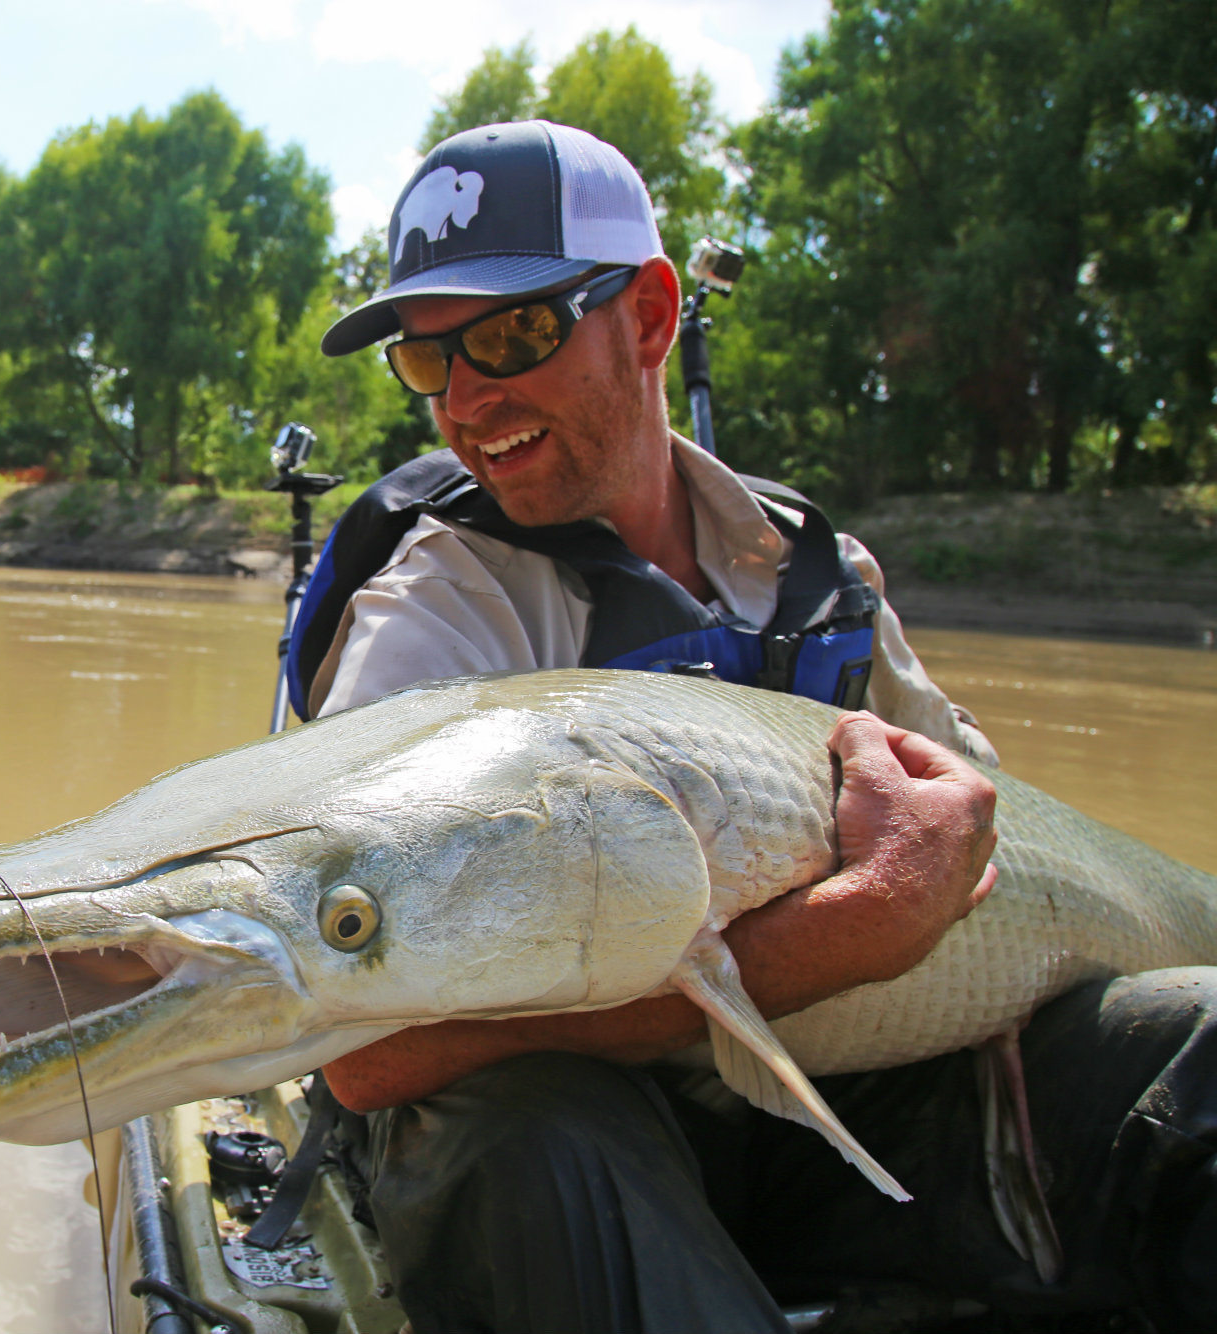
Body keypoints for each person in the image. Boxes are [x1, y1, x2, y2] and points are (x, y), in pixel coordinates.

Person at [296, 121, 1217, 1333]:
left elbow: (976, 824)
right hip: (575, 1129)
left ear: (649, 317)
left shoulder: (822, 575)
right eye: (427, 359)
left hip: (823, 1117)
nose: (466, 401)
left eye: (512, 334)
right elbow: (362, 1051)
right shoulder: (436, 611)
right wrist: (832, 935)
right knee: (528, 1137)